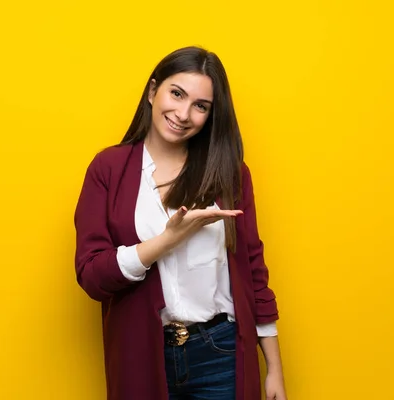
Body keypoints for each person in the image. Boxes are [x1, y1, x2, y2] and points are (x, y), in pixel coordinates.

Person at [73, 46, 287, 400]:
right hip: (140, 355)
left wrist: (274, 369)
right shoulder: (108, 169)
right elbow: (92, 276)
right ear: (153, 90)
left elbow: (253, 269)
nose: (183, 113)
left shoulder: (230, 175)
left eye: (200, 106)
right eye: (177, 94)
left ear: (210, 115)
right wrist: (165, 241)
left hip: (219, 353)